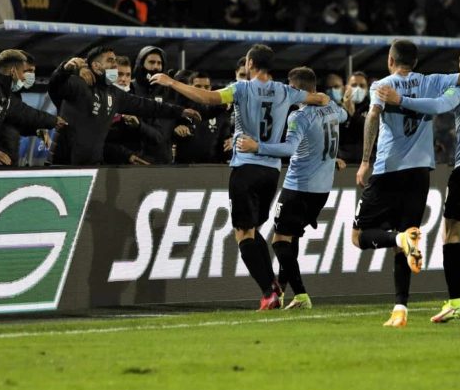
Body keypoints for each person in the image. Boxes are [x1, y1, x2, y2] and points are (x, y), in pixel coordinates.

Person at [149, 44, 329, 310]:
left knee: (242, 233)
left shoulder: (241, 89)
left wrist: (171, 82)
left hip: (246, 167)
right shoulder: (285, 91)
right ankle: (272, 287)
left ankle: (269, 291)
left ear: (250, 63)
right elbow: (320, 99)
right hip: (271, 172)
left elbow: (208, 98)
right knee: (252, 230)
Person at [354, 39, 460, 327]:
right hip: (420, 172)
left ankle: (398, 241)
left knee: (359, 235)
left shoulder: (382, 85)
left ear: (390, 59)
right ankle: (400, 309)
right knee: (408, 233)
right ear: (414, 62)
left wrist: (365, 161)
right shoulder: (432, 81)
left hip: (389, 168)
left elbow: (373, 115)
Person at [236, 66, 347, 309]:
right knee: (291, 236)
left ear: (296, 89)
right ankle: (284, 290)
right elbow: (344, 117)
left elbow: (288, 149)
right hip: (323, 188)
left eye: (289, 87)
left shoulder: (300, 116)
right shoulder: (332, 108)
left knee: (279, 241)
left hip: (299, 186)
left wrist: (257, 146)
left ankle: (301, 295)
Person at [47, 46, 199, 166]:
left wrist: (180, 112)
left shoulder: (114, 94)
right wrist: (64, 70)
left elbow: (147, 106)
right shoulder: (78, 83)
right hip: (64, 164)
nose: (114, 63)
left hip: (92, 165)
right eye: (110, 60)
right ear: (96, 66)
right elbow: (55, 86)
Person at [0, 51, 61, 166]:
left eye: (33, 71)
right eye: (27, 71)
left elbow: (12, 122)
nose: (30, 76)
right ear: (13, 70)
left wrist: (35, 130)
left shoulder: (13, 92)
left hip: (5, 161)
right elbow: (23, 112)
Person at [103, 56, 154, 165]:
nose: (124, 79)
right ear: (109, 74)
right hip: (107, 163)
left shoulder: (137, 100)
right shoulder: (100, 99)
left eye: (128, 75)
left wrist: (138, 125)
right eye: (119, 74)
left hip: (134, 160)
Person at [174, 72, 232, 164]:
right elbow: (167, 133)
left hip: (212, 167)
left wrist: (231, 140)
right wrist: (175, 130)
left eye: (206, 87)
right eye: (198, 86)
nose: (202, 90)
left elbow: (226, 138)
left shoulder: (221, 111)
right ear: (189, 88)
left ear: (211, 88)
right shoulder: (180, 110)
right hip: (184, 166)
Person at [338, 71, 370, 163]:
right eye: (354, 85)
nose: (358, 89)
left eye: (362, 86)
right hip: (343, 161)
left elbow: (372, 131)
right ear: (346, 88)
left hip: (366, 161)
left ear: (367, 89)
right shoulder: (336, 109)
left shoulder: (373, 109)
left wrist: (353, 113)